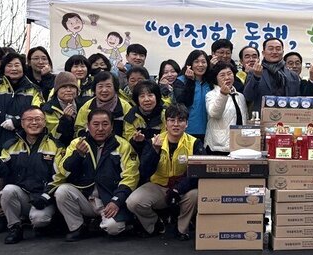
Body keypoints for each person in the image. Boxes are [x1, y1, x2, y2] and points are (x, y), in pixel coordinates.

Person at [54, 108, 140, 241]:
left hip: (110, 199)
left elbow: (131, 177)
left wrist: (116, 201)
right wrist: (78, 155)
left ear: (112, 127)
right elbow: (64, 172)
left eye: (105, 124)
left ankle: (116, 223)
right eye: (95, 124)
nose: (100, 128)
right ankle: (77, 227)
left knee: (113, 228)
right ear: (88, 126)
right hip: (86, 197)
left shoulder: (123, 145)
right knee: (62, 191)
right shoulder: (77, 144)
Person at [0, 106, 60, 244]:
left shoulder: (56, 145)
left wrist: (45, 196)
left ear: (45, 122)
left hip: (46, 198)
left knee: (39, 219)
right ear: (22, 123)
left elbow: (60, 177)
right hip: (25, 196)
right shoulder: (11, 145)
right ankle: (15, 228)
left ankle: (52, 223)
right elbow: (0, 172)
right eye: (29, 119)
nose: (34, 123)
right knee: (7, 190)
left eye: (38, 119)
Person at [127, 104, 203, 240]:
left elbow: (196, 173)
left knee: (196, 194)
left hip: (182, 189)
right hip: (159, 186)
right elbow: (144, 172)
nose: (176, 124)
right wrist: (155, 151)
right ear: (166, 123)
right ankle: (155, 223)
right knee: (133, 202)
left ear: (186, 124)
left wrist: (177, 190)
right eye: (171, 120)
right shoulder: (153, 141)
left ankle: (182, 229)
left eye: (180, 120)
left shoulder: (195, 143)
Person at [0, 53, 45, 234]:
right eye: (10, 65)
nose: (14, 68)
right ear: (3, 68)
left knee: (21, 174)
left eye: (17, 65)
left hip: (23, 138)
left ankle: (21, 215)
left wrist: (19, 122)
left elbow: (38, 111)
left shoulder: (33, 89)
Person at [244, 38, 301, 115]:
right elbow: (248, 97)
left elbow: (297, 101)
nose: (274, 52)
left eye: (278, 49)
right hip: (262, 120)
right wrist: (256, 77)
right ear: (263, 53)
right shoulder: (254, 71)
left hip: (286, 119)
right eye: (270, 49)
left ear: (283, 52)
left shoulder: (293, 75)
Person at [204, 62, 248, 154]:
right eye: (222, 75)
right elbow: (214, 114)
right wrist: (223, 95)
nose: (227, 78)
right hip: (218, 145)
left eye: (229, 74)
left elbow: (245, 119)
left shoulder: (240, 96)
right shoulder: (211, 95)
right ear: (216, 78)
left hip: (239, 145)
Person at [75, 71, 130, 138]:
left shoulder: (125, 106)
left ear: (115, 88)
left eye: (108, 86)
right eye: (100, 86)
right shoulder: (87, 107)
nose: (104, 90)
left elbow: (128, 132)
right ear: (94, 89)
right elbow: (79, 129)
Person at [173, 50, 211, 140]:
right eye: (196, 62)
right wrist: (190, 81)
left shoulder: (210, 82)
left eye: (203, 62)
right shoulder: (181, 81)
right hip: (187, 130)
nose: (200, 65)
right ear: (190, 64)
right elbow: (183, 103)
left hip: (209, 131)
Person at [122, 80, 167, 155]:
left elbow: (165, 138)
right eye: (142, 96)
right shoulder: (131, 116)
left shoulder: (165, 115)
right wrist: (137, 141)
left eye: (150, 95)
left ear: (157, 97)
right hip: (137, 155)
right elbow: (128, 139)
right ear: (137, 99)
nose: (146, 99)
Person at [42, 71, 81, 148]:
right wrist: (65, 120)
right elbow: (54, 136)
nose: (69, 90)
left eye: (72, 87)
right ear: (57, 91)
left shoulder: (83, 105)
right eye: (64, 87)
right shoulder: (48, 109)